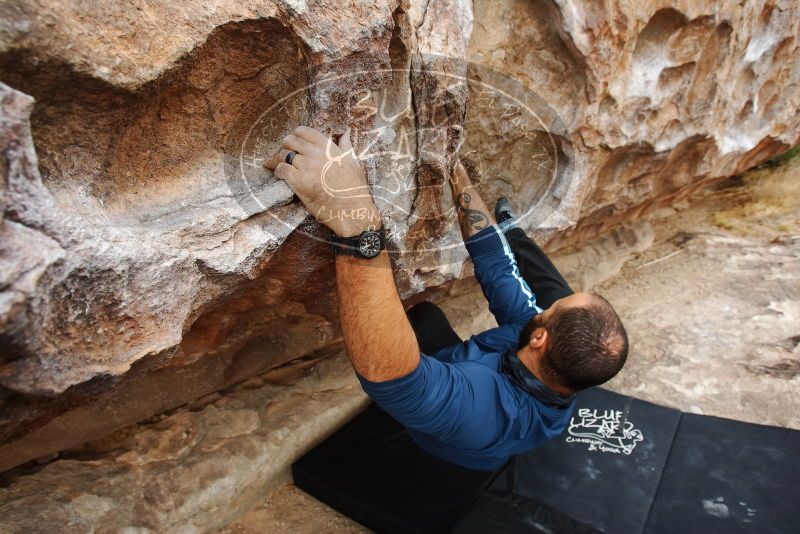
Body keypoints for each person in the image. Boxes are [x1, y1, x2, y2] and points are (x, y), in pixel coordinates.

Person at [264, 126, 628, 471]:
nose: (543, 304)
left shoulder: (479, 410)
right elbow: (497, 266)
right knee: (425, 317)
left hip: (451, 438)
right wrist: (458, 178)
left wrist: (355, 220)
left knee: (408, 360)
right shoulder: (539, 344)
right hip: (486, 373)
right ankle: (511, 236)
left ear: (539, 338)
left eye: (550, 309)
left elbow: (391, 377)